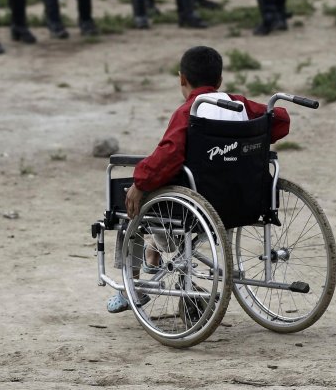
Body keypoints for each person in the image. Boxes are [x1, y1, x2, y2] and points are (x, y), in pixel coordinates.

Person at [107, 45, 291, 313]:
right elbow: (280, 120)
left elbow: (167, 156)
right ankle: (153, 252)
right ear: (219, 81)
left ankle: (130, 286)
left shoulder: (189, 111)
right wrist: (247, 138)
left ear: (182, 78)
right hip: (243, 200)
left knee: (128, 199)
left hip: (195, 206)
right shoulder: (238, 104)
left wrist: (139, 183)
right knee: (162, 185)